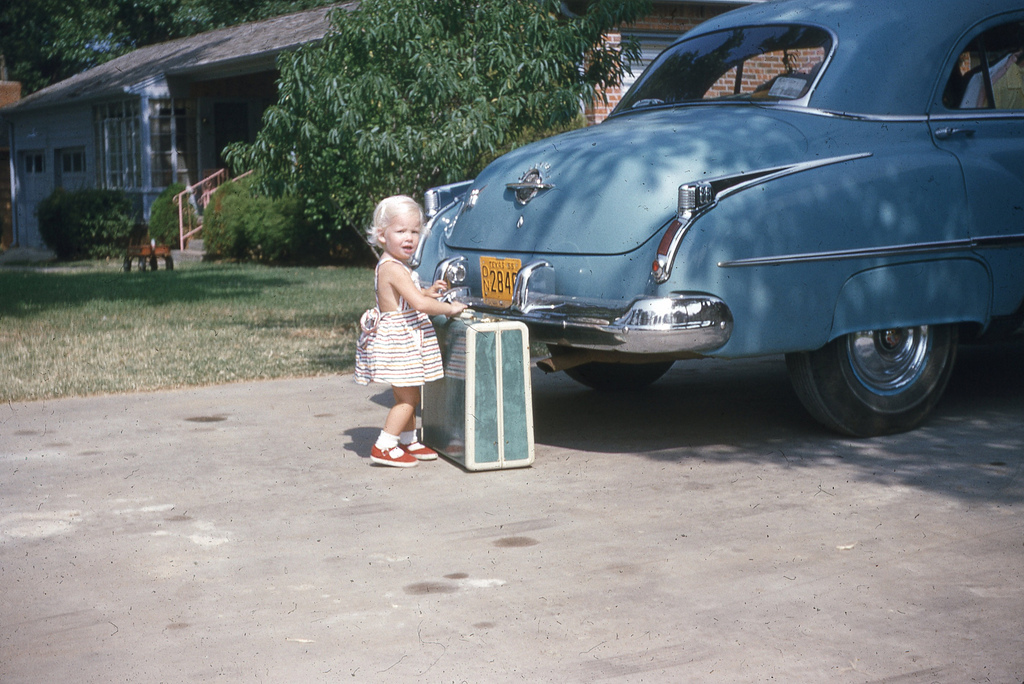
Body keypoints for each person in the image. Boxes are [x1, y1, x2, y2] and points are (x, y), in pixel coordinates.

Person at [355, 195, 467, 467]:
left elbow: (407, 296)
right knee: (407, 399)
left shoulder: (393, 265)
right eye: (401, 231)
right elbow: (418, 304)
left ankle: (408, 439)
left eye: (415, 231)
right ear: (382, 235)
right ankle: (384, 445)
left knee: (409, 393)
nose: (409, 238)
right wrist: (449, 308)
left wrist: (426, 290)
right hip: (400, 339)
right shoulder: (393, 268)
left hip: (402, 337)